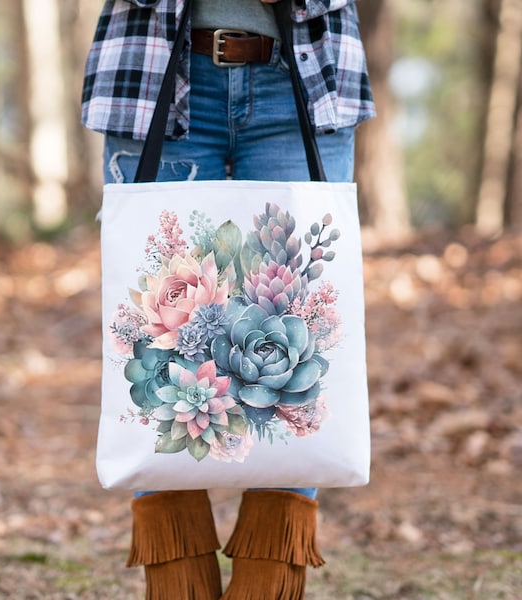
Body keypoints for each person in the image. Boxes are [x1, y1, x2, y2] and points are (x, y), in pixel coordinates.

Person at [82, 0, 374, 598]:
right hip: (155, 65)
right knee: (161, 333)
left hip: (306, 71)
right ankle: (176, 586)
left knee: (299, 329)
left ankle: (267, 586)